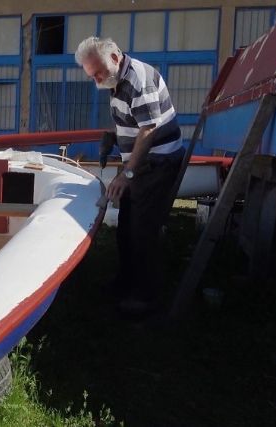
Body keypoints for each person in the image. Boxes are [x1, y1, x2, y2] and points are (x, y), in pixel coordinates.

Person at [75, 37, 185, 317]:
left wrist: (127, 174)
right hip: (145, 162)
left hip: (158, 162)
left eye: (98, 73)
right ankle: (126, 283)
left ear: (114, 57)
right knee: (126, 227)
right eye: (92, 76)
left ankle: (145, 298)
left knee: (143, 229)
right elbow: (134, 122)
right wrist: (112, 137)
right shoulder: (117, 80)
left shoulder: (138, 79)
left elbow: (148, 129)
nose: (97, 80)